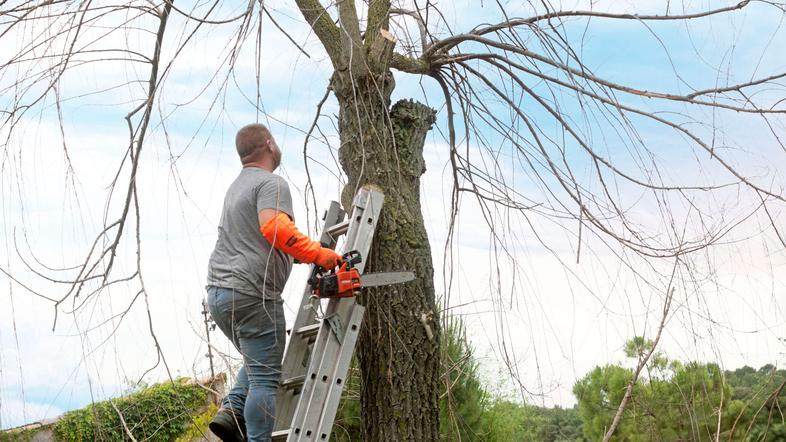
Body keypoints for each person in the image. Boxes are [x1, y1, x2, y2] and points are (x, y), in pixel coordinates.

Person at [205, 123, 342, 442]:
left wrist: (301, 255)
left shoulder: (236, 188)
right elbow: (275, 229)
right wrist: (320, 254)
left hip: (219, 295)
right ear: (269, 144)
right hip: (253, 295)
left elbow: (260, 240)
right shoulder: (271, 184)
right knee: (266, 379)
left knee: (257, 361)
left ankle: (232, 409)